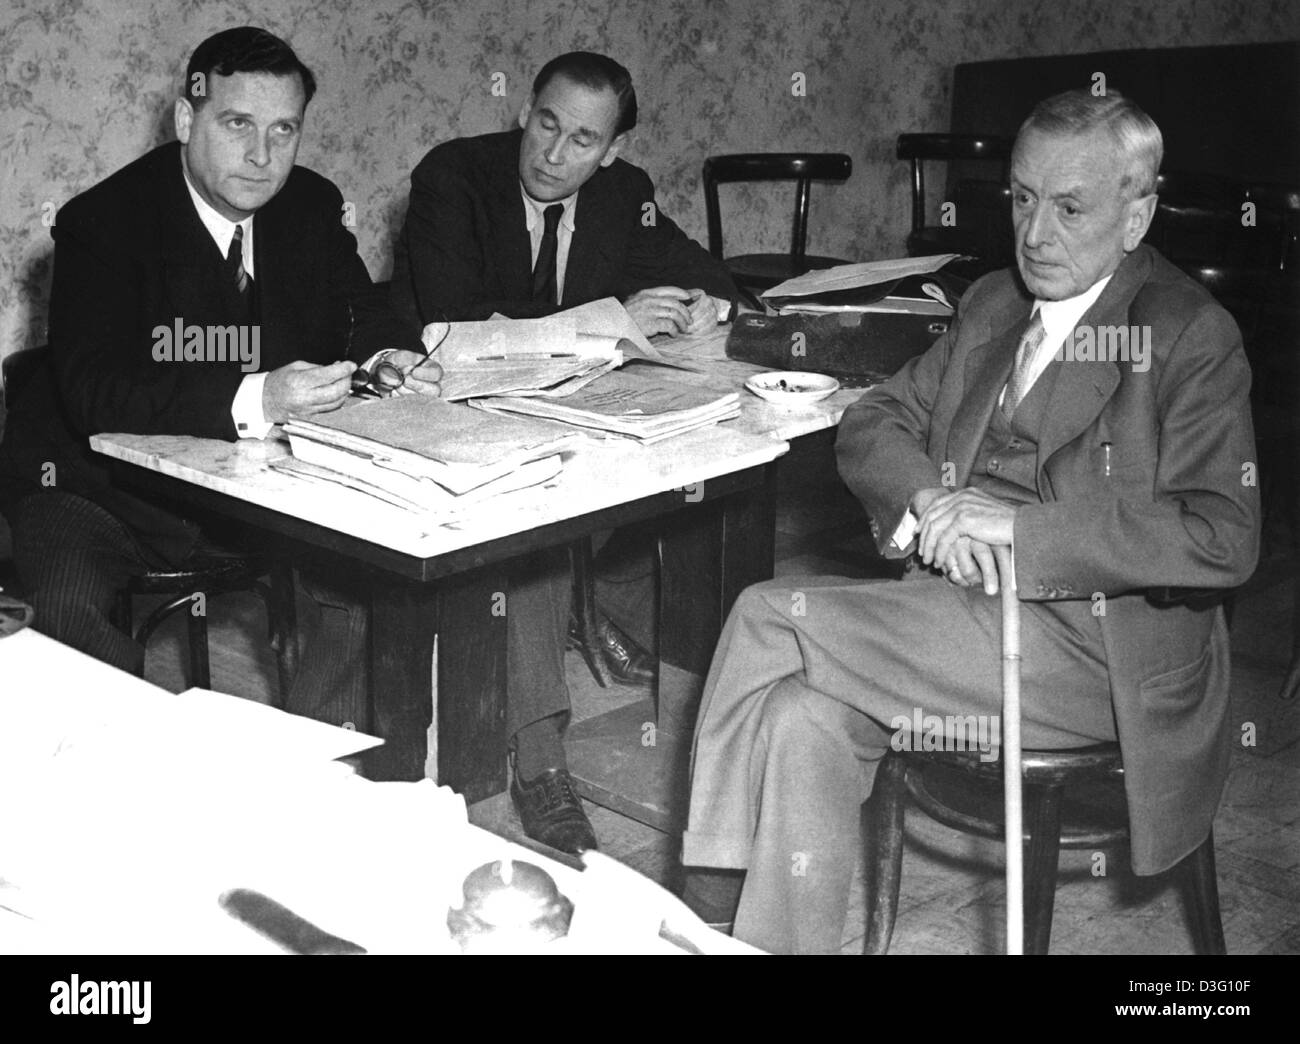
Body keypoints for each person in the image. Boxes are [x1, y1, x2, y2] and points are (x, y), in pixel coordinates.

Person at [678, 88, 1261, 953]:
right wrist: (926, 504)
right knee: (797, 717)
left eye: (1070, 208)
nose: (1036, 233)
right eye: (1022, 199)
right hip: (961, 624)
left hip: (1098, 651)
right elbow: (875, 421)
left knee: (768, 613)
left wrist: (1016, 532)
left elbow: (1223, 535)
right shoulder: (994, 304)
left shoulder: (1186, 333)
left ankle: (699, 919)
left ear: (1137, 215)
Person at [0, 28, 437, 713]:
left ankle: (325, 770)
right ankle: (115, 789)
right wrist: (262, 395)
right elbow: (96, 390)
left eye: (283, 130)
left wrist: (386, 358)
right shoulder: (102, 224)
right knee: (67, 613)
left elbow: (361, 307)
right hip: (95, 489)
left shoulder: (310, 206)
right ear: (186, 119)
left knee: (360, 579)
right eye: (238, 124)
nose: (262, 157)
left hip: (257, 485)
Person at [390, 52, 739, 853]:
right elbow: (455, 324)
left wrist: (699, 303)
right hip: (444, 408)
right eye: (545, 124)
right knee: (541, 527)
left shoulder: (625, 194)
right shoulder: (454, 177)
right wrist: (611, 316)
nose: (554, 154)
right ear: (525, 111)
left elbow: (703, 270)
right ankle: (538, 758)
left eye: (583, 140)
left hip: (561, 405)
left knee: (699, 460)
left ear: (611, 151)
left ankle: (661, 666)